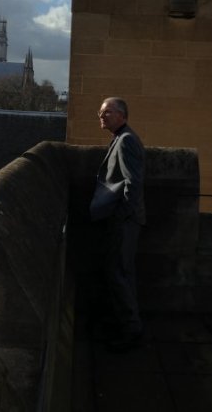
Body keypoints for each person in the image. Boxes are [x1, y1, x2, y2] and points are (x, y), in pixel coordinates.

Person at [90, 96, 145, 352]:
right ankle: (126, 326)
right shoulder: (120, 138)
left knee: (119, 274)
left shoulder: (126, 141)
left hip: (124, 222)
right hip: (123, 220)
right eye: (101, 112)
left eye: (108, 112)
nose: (102, 116)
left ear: (122, 116)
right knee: (122, 273)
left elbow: (133, 184)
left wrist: (121, 215)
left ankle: (131, 331)